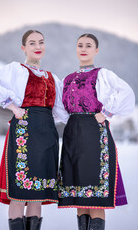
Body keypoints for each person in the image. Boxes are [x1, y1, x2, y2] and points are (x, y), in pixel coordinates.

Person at [0, 30, 64, 230]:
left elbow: (63, 111)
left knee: (37, 193)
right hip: (24, 133)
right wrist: (12, 107)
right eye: (32, 43)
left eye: (41, 42)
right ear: (24, 48)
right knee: (19, 191)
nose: (38, 46)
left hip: (47, 137)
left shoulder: (52, 78)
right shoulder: (15, 70)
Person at [58, 33, 135, 230]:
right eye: (80, 45)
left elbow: (127, 93)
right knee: (78, 194)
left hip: (95, 134)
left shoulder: (102, 75)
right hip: (72, 136)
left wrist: (107, 112)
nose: (83, 49)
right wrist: (72, 121)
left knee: (95, 195)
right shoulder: (67, 79)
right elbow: (59, 108)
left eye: (88, 45)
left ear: (96, 50)